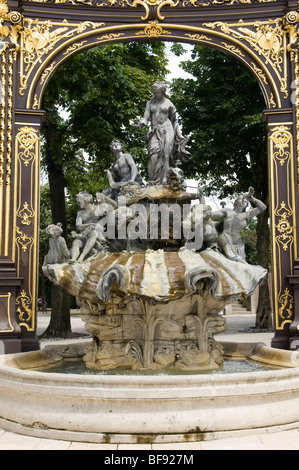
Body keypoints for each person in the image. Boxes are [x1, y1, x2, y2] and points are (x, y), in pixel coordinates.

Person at [131, 81, 191, 185]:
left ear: (162, 91)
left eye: (156, 92)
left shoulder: (168, 103)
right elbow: (146, 118)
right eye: (153, 92)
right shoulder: (149, 103)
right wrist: (140, 124)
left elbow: (174, 120)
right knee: (153, 155)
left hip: (168, 130)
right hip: (155, 131)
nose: (154, 94)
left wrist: (179, 135)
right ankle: (153, 181)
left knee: (166, 155)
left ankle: (164, 181)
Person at [211, 187, 267, 263]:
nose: (244, 200)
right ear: (236, 201)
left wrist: (252, 198)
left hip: (237, 242)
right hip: (225, 238)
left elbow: (263, 207)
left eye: (246, 201)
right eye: (241, 199)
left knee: (242, 263)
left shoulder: (247, 214)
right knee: (236, 259)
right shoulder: (228, 211)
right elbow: (212, 215)